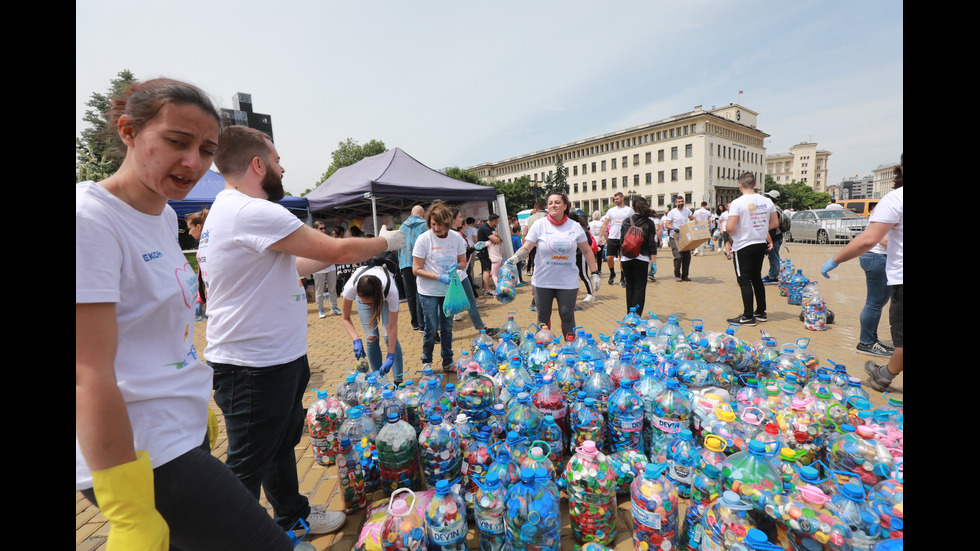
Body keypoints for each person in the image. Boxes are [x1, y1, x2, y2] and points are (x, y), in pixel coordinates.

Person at [77, 77, 299, 549]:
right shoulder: (89, 219)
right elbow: (86, 371)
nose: (193, 163)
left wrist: (190, 399)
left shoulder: (160, 215)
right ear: (128, 131)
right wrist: (128, 507)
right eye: (177, 142)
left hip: (175, 425)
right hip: (138, 450)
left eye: (206, 149)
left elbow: (157, 331)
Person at [199, 125, 405, 535]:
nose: (282, 167)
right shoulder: (251, 209)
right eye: (276, 161)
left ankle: (291, 516)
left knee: (279, 445)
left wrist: (329, 259)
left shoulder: (233, 211)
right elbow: (339, 249)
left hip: (276, 358)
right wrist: (386, 242)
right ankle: (232, 540)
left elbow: (290, 267)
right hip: (252, 366)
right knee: (247, 463)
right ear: (257, 165)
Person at [822, 157, 903, 392]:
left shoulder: (896, 198)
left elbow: (869, 239)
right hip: (882, 262)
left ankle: (883, 373)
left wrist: (835, 260)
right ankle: (870, 345)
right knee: (875, 303)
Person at [508, 192, 601, 338]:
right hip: (543, 281)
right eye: (550, 202)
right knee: (542, 319)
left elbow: (587, 251)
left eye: (557, 202)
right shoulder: (539, 225)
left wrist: (594, 273)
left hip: (567, 282)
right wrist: (514, 259)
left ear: (565, 206)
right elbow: (527, 247)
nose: (553, 205)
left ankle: (570, 349)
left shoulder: (575, 226)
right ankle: (543, 353)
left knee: (567, 317)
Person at [413, 201, 469, 372]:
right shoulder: (423, 239)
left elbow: (462, 261)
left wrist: (456, 267)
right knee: (431, 328)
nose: (436, 228)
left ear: (448, 223)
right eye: (433, 224)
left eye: (440, 224)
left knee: (447, 327)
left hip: (449, 291)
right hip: (428, 291)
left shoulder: (456, 237)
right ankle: (426, 361)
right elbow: (416, 269)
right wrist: (438, 277)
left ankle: (447, 361)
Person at [724, 173, 777, 326]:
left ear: (740, 186)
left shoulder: (737, 203)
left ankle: (748, 316)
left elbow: (730, 227)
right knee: (756, 278)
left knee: (744, 280)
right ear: (755, 183)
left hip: (743, 245)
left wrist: (742, 229)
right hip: (760, 243)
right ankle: (761, 311)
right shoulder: (767, 201)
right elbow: (774, 223)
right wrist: (758, 228)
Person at [340, 263, 404, 384]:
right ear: (357, 292)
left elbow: (393, 326)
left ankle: (398, 380)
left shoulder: (391, 291)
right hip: (370, 292)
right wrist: (356, 340)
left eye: (371, 303)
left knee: (388, 336)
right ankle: (379, 380)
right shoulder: (351, 287)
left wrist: (390, 355)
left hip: (383, 297)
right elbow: (345, 318)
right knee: (371, 338)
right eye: (366, 303)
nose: (370, 306)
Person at [619, 196, 660, 314]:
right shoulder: (649, 222)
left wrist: (621, 259)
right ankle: (636, 316)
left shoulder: (626, 221)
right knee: (640, 288)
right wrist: (654, 262)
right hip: (641, 258)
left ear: (633, 207)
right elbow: (651, 243)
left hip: (627, 258)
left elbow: (621, 241)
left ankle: (629, 315)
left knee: (630, 287)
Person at [399, 205, 428, 332]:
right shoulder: (425, 226)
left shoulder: (402, 227)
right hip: (419, 264)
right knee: (420, 293)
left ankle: (414, 323)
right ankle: (422, 324)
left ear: (411, 213)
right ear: (423, 214)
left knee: (410, 295)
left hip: (405, 263)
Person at [599, 191, 634, 287]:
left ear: (622, 198)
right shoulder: (611, 211)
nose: (615, 201)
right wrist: (600, 237)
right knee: (609, 258)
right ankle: (612, 273)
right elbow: (605, 224)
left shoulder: (629, 210)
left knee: (623, 259)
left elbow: (633, 224)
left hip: (624, 238)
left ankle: (623, 278)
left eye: (617, 199)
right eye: (614, 199)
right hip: (612, 237)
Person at [311, 221, 340, 318]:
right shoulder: (312, 240)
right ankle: (321, 310)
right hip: (318, 269)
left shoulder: (328, 238)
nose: (323, 230)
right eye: (321, 228)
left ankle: (334, 307)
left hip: (330, 267)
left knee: (332, 289)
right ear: (315, 229)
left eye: (324, 228)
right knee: (319, 291)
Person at [663, 195, 695, 281]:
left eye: (682, 201)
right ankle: (677, 274)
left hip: (685, 236)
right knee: (678, 256)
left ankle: (685, 275)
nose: (681, 203)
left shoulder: (687, 210)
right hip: (675, 237)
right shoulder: (672, 212)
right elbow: (667, 224)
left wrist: (694, 223)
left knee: (687, 257)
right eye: (679, 202)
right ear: (676, 203)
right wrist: (673, 228)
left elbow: (692, 218)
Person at [186, 208, 210, 321]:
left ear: (199, 227)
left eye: (190, 228)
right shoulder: (204, 243)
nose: (189, 233)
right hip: (206, 293)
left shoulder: (209, 244)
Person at [523, 201, 547, 309]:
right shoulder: (548, 216)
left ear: (535, 208)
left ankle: (536, 298)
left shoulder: (530, 218)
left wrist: (525, 250)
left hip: (532, 246)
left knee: (535, 269)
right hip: (546, 247)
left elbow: (525, 233)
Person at [570, 212, 597, 304]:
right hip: (571, 255)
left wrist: (578, 245)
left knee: (583, 274)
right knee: (573, 275)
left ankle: (591, 294)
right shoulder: (568, 229)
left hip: (580, 254)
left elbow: (588, 243)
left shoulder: (581, 229)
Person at [761, 190, 784, 284]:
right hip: (776, 237)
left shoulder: (774, 210)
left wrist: (770, 241)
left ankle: (774, 276)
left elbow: (774, 227)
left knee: (774, 257)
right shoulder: (776, 208)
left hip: (775, 237)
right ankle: (772, 273)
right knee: (772, 257)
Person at [477, 214, 502, 296]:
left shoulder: (490, 228)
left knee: (488, 270)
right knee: (486, 270)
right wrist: (497, 237)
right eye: (497, 222)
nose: (497, 223)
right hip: (483, 252)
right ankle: (487, 290)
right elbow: (496, 240)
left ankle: (486, 288)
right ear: (494, 221)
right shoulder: (485, 228)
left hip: (487, 253)